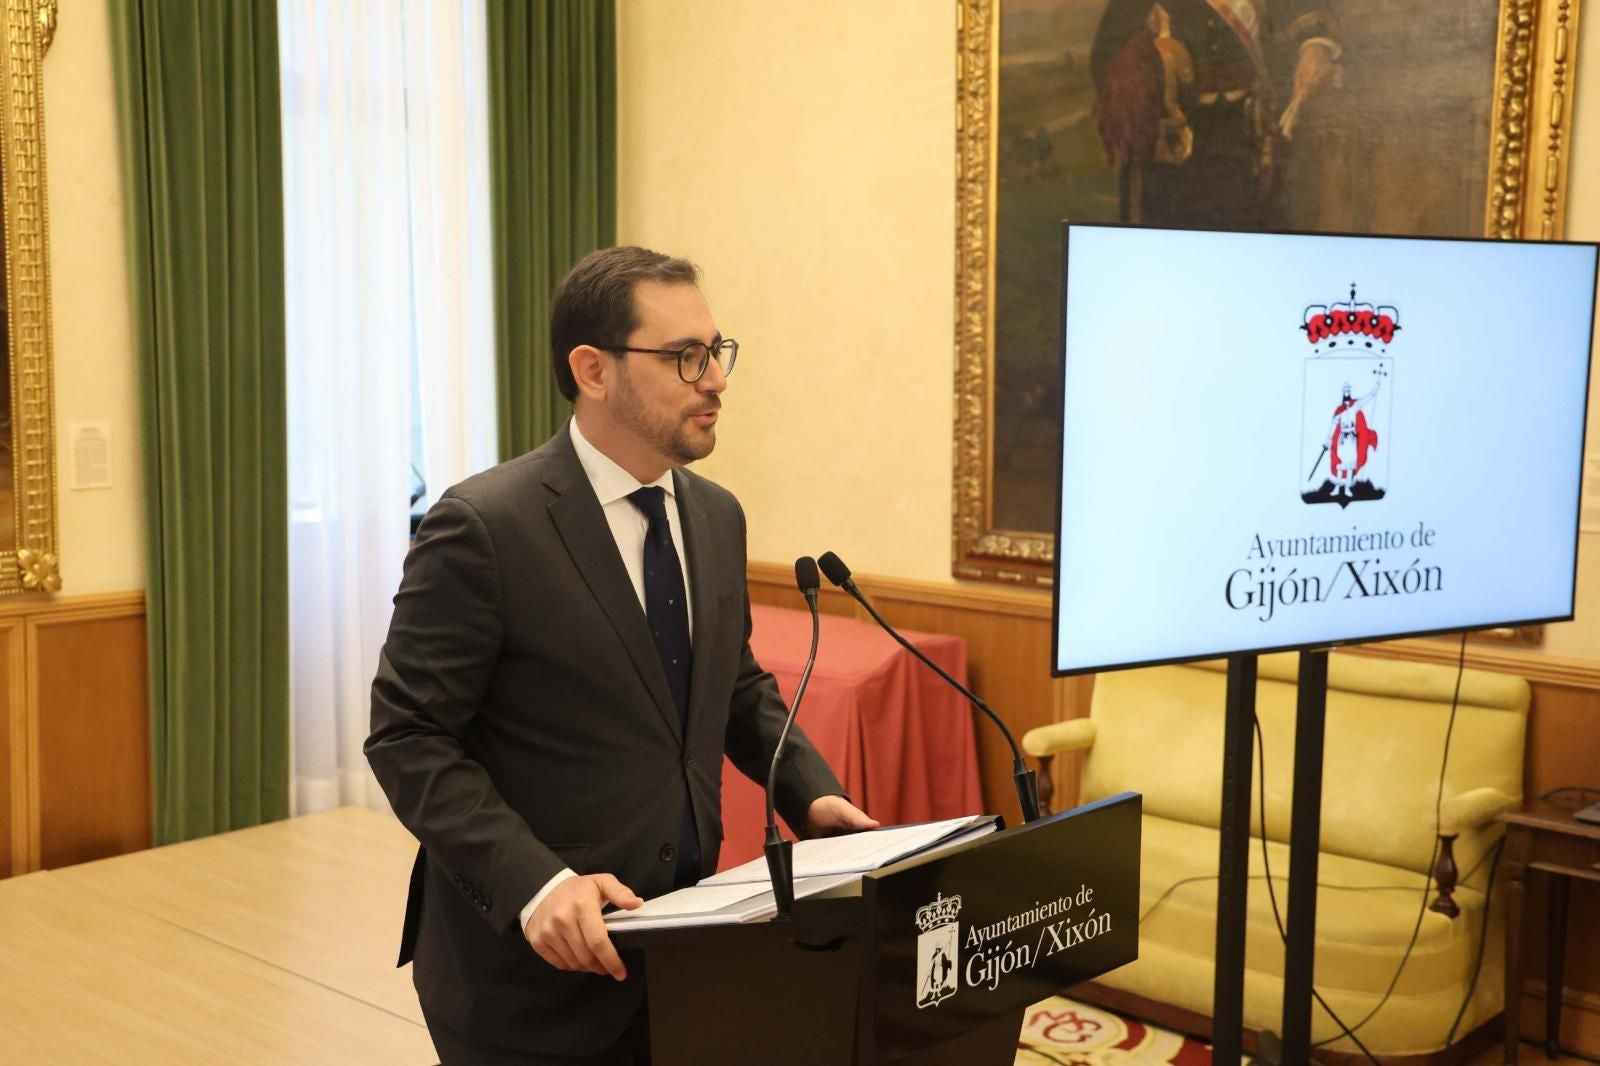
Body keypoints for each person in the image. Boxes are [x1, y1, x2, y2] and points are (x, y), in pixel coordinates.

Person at [366, 246, 876, 1065]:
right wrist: (537, 884)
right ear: (593, 371)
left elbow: (733, 685)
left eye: (717, 351)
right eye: (685, 357)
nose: (716, 379)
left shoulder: (716, 516)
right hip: (529, 978)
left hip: (686, 949)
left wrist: (811, 794)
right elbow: (408, 737)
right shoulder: (485, 527)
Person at [1091, 0, 1341, 228]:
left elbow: (1302, 10)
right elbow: (1107, 52)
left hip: (1247, 136)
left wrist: (1315, 46)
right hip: (1177, 146)